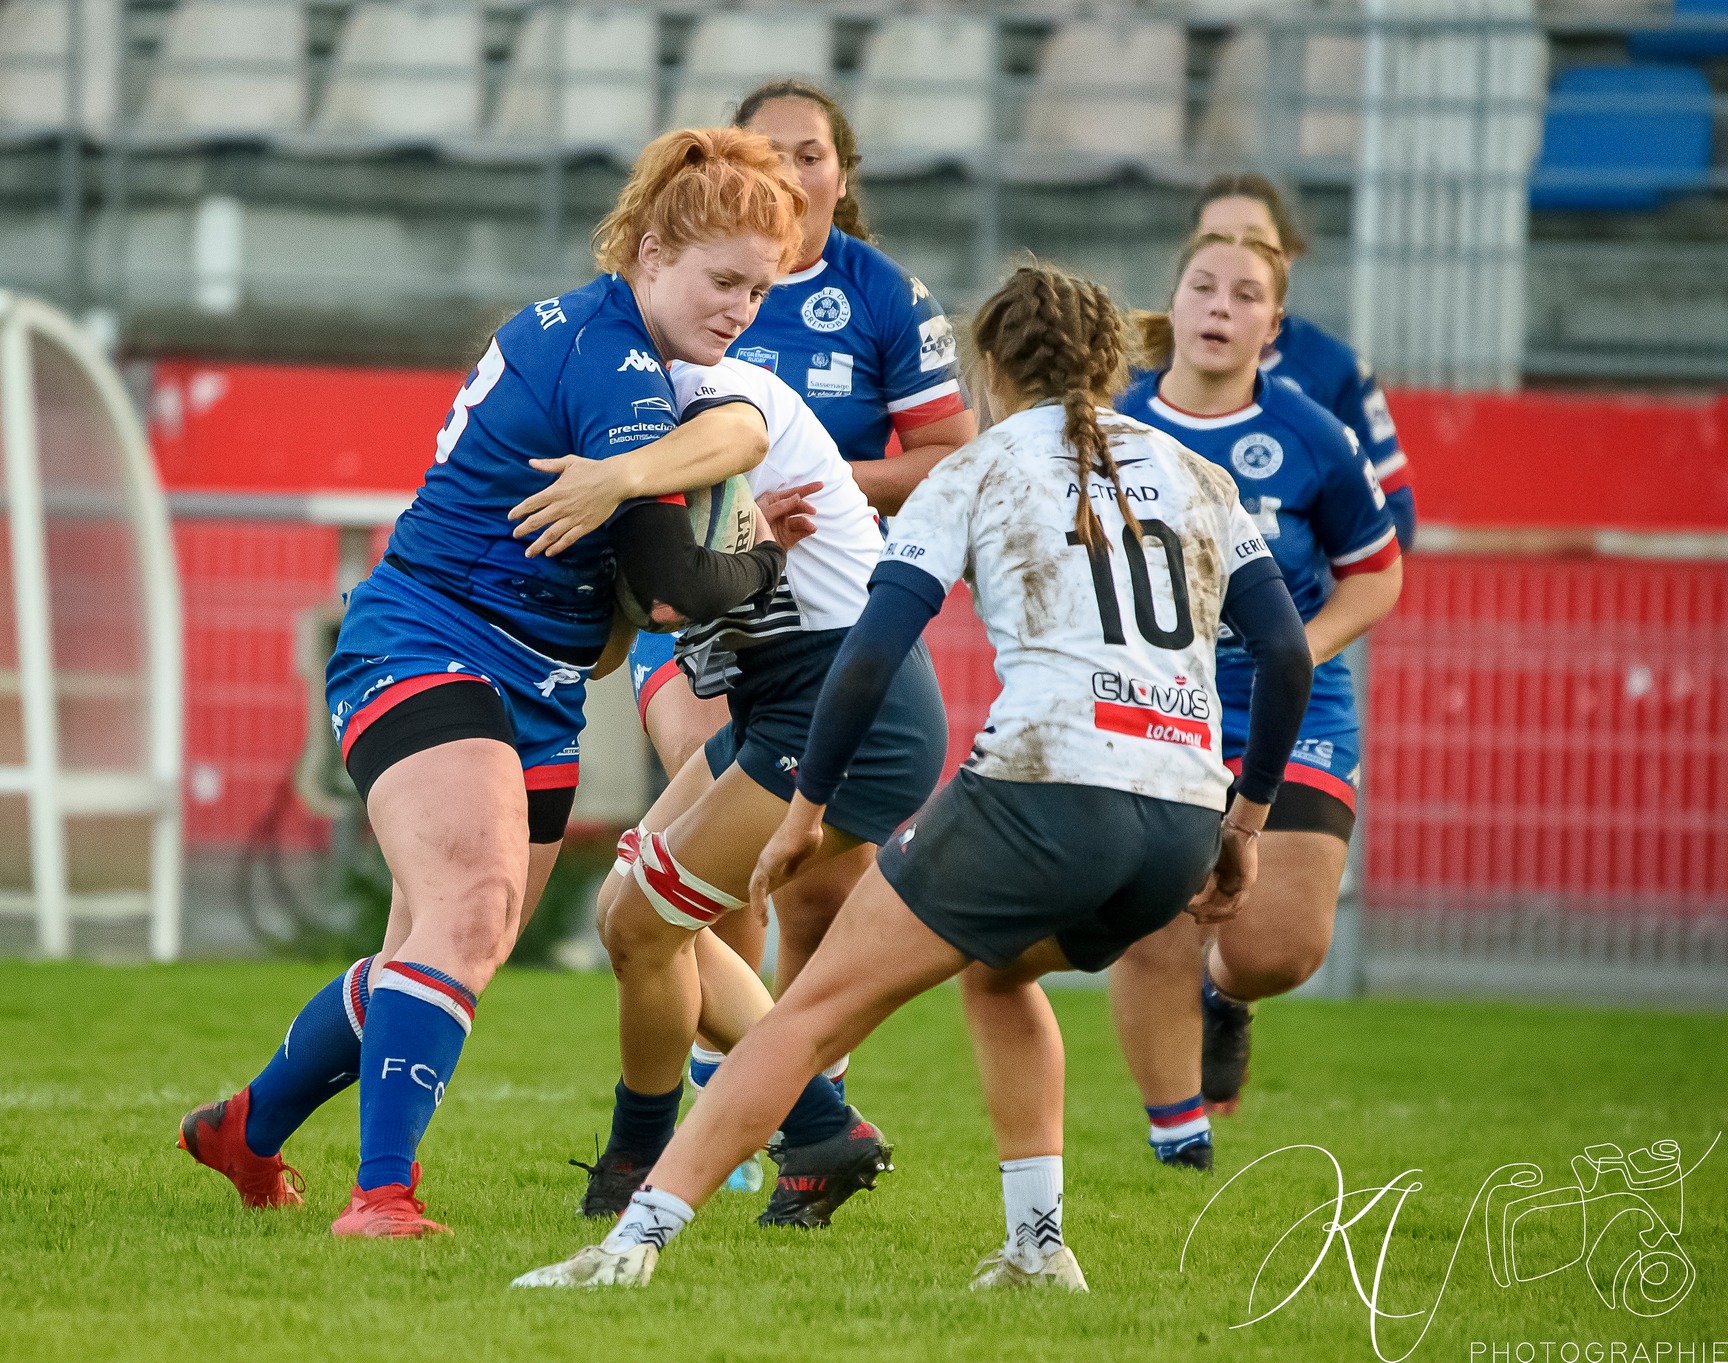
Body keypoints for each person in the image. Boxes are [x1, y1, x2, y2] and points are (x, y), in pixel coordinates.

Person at [511, 261, 1315, 1292]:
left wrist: (806, 808)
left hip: (1040, 790)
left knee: (806, 1014)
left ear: (989, 369)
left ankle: (630, 1246)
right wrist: (1244, 826)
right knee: (1000, 972)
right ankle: (1037, 1250)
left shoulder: (978, 468)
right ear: (1112, 364)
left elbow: (872, 647)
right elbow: (1286, 653)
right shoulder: (1198, 474)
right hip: (1181, 814)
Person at [174, 127, 809, 1240]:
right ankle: (381, 1198)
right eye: (723, 281)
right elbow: (670, 588)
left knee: (445, 937)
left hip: (541, 685)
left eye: (758, 291)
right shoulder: (612, 360)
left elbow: (649, 564)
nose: (740, 310)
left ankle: (246, 1126)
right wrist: (760, 563)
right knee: (468, 911)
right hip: (429, 643)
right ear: (652, 251)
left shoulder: (638, 355)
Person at [602, 80, 972, 1101]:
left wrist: (816, 483)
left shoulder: (882, 296)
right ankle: (736, 1093)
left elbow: (951, 455)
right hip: (704, 600)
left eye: (810, 153)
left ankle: (797, 1097)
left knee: (805, 891)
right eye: (768, 151)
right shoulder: (660, 302)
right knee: (700, 854)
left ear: (841, 175)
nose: (790, 172)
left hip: (822, 610)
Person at [576, 352, 946, 1228]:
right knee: (622, 910)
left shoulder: (712, 396)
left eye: (746, 289)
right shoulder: (623, 427)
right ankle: (818, 1126)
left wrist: (689, 542)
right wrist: (692, 562)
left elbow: (737, 449)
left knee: (646, 923)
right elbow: (617, 643)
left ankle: (641, 1158)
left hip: (848, 704)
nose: (740, 307)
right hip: (779, 703)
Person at [1107, 231, 1403, 1168]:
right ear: (1175, 302)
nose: (1220, 307)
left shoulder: (1314, 434)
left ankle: (1228, 994)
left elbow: (1377, 572)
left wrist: (1294, 655)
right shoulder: (1109, 424)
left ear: (1273, 326)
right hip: (1155, 702)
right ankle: (1179, 1142)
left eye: (1245, 295)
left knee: (1283, 947)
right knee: (1159, 922)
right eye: (1204, 287)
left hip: (1292, 708)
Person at [1191, 174, 1417, 550]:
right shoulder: (1145, 369)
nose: (1234, 254)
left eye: (1254, 240)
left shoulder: (1334, 370)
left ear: (1287, 255)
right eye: (1215, 240)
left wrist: (1290, 548)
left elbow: (1395, 517)